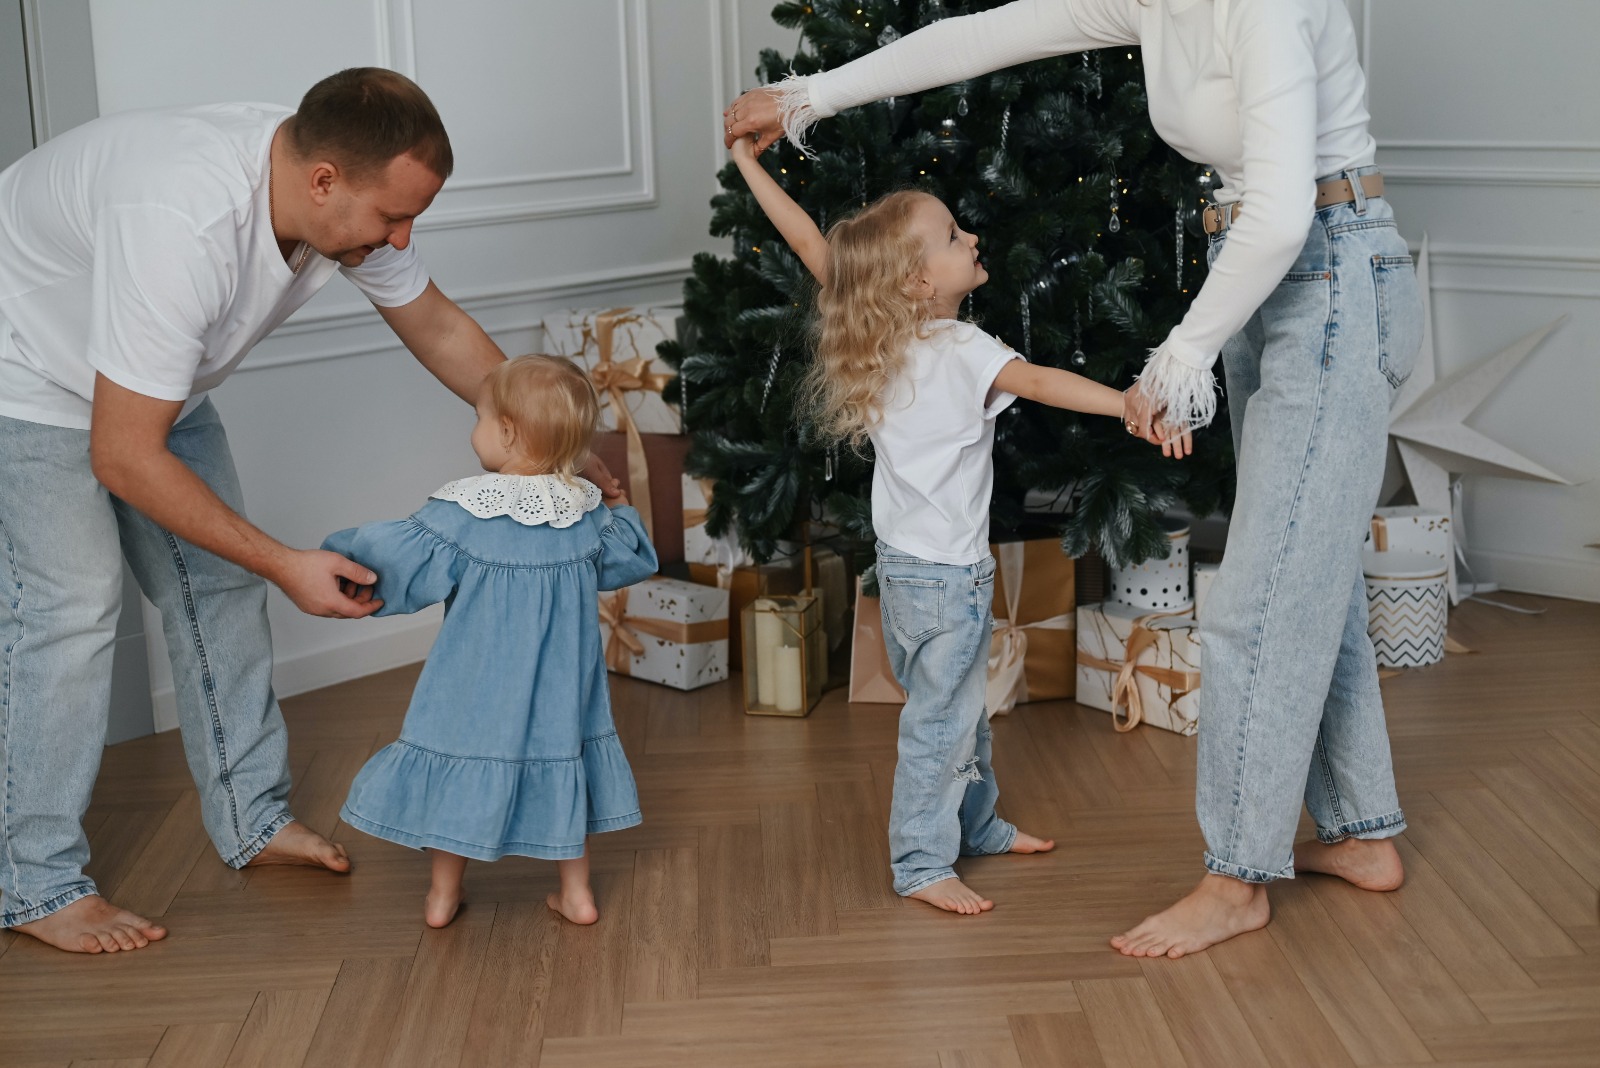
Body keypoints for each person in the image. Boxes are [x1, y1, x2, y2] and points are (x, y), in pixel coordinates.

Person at [726, 0, 1423, 955]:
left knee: (1258, 602)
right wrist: (812, 95)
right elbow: (990, 33)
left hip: (1327, 272)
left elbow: (1285, 210)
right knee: (1312, 573)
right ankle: (1362, 830)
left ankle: (1236, 880)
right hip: (1267, 275)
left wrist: (1179, 357)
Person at [0, 67, 610, 954]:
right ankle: (33, 881)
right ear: (323, 181)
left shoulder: (344, 189)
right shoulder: (186, 219)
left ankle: (252, 818)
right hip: (23, 364)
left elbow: (436, 324)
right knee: (73, 610)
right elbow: (123, 454)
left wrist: (562, 452)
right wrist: (284, 560)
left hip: (151, 372)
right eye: (391, 220)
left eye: (413, 220)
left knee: (217, 585)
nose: (402, 239)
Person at [728, 134, 1182, 914]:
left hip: (904, 575)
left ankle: (977, 827)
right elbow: (1039, 381)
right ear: (915, 281)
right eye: (951, 236)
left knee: (959, 713)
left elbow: (811, 242)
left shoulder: (879, 336)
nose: (972, 237)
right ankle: (920, 863)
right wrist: (1127, 404)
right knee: (942, 724)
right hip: (947, 580)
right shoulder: (963, 349)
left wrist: (747, 167)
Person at [323, 356, 656, 928]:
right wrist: (619, 503)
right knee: (564, 768)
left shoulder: (460, 515)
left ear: (505, 431)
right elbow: (632, 555)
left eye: (478, 417)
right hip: (561, 696)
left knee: (460, 776)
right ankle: (576, 896)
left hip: (471, 692)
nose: (472, 429)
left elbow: (397, 559)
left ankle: (441, 896)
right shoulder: (582, 515)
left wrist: (338, 553)